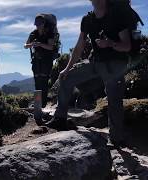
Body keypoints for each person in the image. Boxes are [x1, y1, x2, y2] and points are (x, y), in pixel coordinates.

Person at [45, 0, 132, 146]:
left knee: (114, 99)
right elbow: (79, 46)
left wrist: (110, 43)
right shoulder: (87, 20)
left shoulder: (116, 17)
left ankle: (116, 139)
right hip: (95, 62)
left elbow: (127, 45)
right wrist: (67, 68)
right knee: (67, 78)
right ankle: (60, 119)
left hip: (114, 64)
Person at [24, 15, 56, 108]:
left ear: (43, 23)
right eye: (36, 24)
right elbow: (25, 45)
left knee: (44, 81)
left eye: (39, 23)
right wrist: (31, 44)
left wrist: (40, 44)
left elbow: (51, 47)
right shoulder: (33, 34)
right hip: (36, 60)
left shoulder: (49, 33)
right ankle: (38, 102)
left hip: (46, 60)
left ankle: (43, 103)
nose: (37, 26)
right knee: (37, 81)